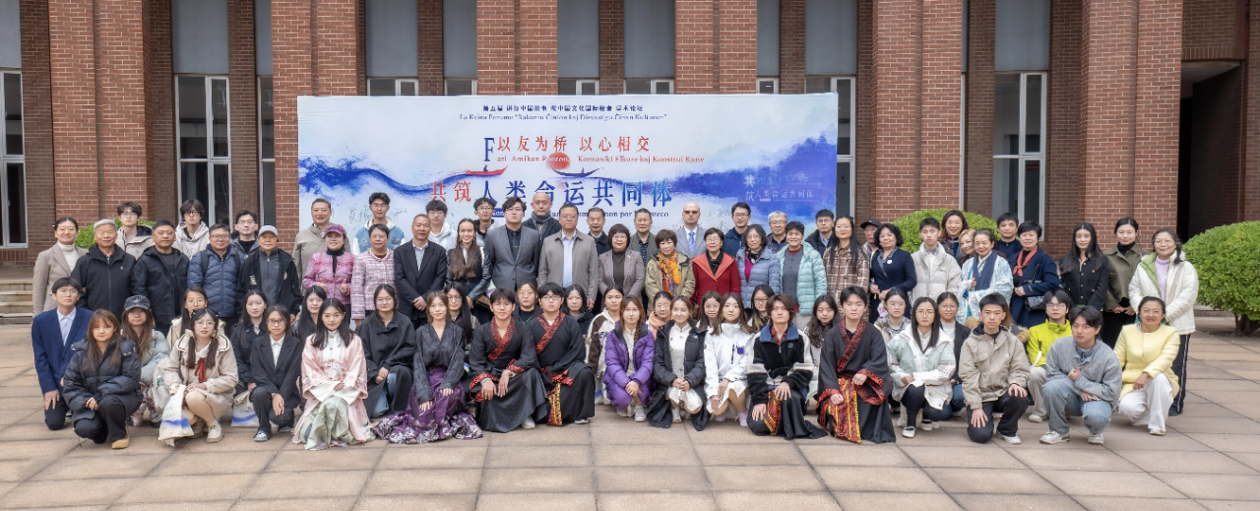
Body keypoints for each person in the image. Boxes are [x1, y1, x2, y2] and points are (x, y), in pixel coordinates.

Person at [374, 291, 483, 443]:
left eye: (441, 305)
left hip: (448, 378)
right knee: (424, 410)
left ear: (447, 307)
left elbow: (457, 361)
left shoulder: (457, 331)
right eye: (433, 306)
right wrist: (424, 394)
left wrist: (448, 383)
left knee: (445, 397)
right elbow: (418, 365)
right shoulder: (420, 332)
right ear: (428, 309)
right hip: (426, 378)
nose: (437, 309)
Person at [1129, 228, 1197, 416]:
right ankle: (1151, 402)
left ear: (1175, 243)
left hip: (1177, 324)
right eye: (1159, 241)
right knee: (1149, 363)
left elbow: (1188, 295)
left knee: (1175, 366)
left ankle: (1174, 404)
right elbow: (1134, 290)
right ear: (1153, 244)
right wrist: (1145, 312)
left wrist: (1164, 314)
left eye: (1167, 241)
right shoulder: (1144, 265)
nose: (1163, 244)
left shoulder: (1186, 267)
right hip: (1150, 324)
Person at [816, 286, 896, 443]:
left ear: (865, 307)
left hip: (866, 382)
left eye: (859, 304)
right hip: (840, 382)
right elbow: (826, 367)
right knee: (838, 401)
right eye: (849, 304)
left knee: (869, 396)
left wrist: (866, 371)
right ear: (842, 306)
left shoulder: (874, 332)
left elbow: (879, 359)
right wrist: (832, 391)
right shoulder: (832, 335)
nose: (854, 308)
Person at [293, 299, 373, 449]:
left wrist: (343, 386)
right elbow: (309, 369)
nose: (332, 320)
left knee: (332, 405)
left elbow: (357, 368)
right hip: (320, 393)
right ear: (321, 317)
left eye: (336, 315)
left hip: (345, 393)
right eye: (327, 315)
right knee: (306, 435)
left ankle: (336, 433)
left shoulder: (354, 340)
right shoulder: (311, 341)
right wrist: (330, 386)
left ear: (343, 316)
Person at [1038, 306, 1122, 445]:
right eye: (1075, 326)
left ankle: (1096, 430)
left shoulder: (1108, 356)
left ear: (1097, 329)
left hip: (1097, 399)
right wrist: (1079, 389)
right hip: (1071, 396)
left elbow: (1112, 391)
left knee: (1096, 417)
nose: (1079, 331)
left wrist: (1082, 382)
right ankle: (1059, 431)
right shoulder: (1059, 345)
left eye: (1086, 327)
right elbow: (1051, 373)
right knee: (1050, 387)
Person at [468, 289, 548, 432]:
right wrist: (485, 379)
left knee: (532, 374)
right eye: (498, 304)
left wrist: (508, 372)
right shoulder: (482, 331)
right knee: (484, 389)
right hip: (491, 375)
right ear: (491, 307)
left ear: (513, 307)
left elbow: (528, 356)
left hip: (514, 376)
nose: (502, 308)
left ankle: (525, 414)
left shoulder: (523, 329)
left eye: (506, 304)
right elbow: (476, 361)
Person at [61, 310, 141, 449]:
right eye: (96, 327)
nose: (101, 331)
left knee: (108, 403)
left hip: (120, 398)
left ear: (115, 328)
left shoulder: (125, 349)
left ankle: (119, 434)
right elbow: (70, 383)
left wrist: (100, 395)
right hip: (91, 402)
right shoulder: (81, 353)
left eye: (107, 327)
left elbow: (130, 378)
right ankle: (106, 428)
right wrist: (87, 401)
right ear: (91, 330)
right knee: (85, 429)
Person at [747, 294, 824, 439]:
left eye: (783, 309)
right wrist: (759, 400)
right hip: (766, 387)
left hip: (791, 388)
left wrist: (787, 382)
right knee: (759, 426)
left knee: (788, 399)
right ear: (770, 313)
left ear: (790, 312)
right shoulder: (758, 339)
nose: (779, 312)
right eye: (775, 309)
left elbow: (805, 369)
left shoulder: (800, 338)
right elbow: (755, 372)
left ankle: (790, 418)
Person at [159, 307, 239, 446]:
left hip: (215, 394)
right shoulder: (183, 342)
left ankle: (212, 424)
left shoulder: (223, 344)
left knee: (193, 396)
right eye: (200, 322)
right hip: (186, 392)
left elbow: (231, 378)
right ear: (193, 325)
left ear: (215, 326)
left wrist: (204, 386)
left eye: (209, 323)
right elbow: (170, 369)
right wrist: (176, 387)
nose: (204, 326)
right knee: (184, 419)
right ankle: (199, 419)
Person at [959, 294, 1030, 444]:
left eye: (997, 313)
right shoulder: (970, 344)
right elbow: (968, 377)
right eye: (988, 312)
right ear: (980, 315)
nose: (992, 317)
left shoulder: (1012, 341)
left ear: (1003, 315)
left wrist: (1016, 383)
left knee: (1020, 396)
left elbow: (1020, 368)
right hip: (982, 396)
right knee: (981, 436)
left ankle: (1006, 429)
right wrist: (976, 407)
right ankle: (982, 418)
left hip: (1003, 392)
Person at [526, 283, 597, 425]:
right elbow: (528, 354)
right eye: (546, 297)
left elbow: (577, 350)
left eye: (555, 297)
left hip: (566, 370)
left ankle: (580, 414)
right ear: (539, 301)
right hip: (541, 374)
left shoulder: (571, 323)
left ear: (562, 300)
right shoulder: (531, 325)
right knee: (528, 374)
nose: (550, 300)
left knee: (585, 372)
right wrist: (544, 371)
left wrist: (556, 368)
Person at [887, 297, 954, 438]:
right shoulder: (902, 338)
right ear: (914, 314)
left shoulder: (944, 340)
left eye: (929, 311)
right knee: (916, 389)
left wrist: (917, 377)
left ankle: (927, 417)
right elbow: (890, 362)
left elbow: (947, 368)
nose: (925, 315)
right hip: (909, 388)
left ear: (935, 314)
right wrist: (902, 376)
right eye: (920, 311)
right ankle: (910, 423)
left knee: (937, 413)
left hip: (935, 387)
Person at [32, 278, 92, 431]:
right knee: (54, 423)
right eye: (63, 291)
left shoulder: (90, 318)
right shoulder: (41, 321)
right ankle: (65, 405)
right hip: (56, 383)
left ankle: (76, 407)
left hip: (82, 382)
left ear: (78, 296)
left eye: (73, 291)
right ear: (54, 295)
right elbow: (40, 358)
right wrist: (48, 388)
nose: (68, 294)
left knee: (86, 422)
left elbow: (93, 353)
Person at [1115, 297, 1180, 436]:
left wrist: (1146, 374)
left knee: (1159, 379)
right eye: (1146, 311)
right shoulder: (1127, 331)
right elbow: (1117, 359)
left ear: (1163, 315)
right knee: (1126, 408)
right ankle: (1151, 412)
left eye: (1156, 311)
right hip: (1132, 382)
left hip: (1160, 379)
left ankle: (1157, 425)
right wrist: (1112, 383)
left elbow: (1166, 359)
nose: (1151, 315)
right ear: (1139, 313)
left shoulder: (1171, 333)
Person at [357, 285, 416, 418]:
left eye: (388, 298)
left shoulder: (404, 322)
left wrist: (389, 365)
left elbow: (409, 348)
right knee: (377, 411)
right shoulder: (367, 324)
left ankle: (397, 403)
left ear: (395, 299)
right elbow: (361, 353)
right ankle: (386, 400)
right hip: (375, 375)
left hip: (398, 369)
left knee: (394, 376)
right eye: (380, 299)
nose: (384, 302)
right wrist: (374, 373)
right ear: (375, 301)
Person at [647, 297, 706, 427]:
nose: (679, 313)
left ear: (690, 312)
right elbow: (657, 363)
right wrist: (672, 380)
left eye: (683, 310)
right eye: (675, 309)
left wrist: (689, 381)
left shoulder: (699, 332)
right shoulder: (663, 332)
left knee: (696, 407)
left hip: (691, 382)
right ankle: (675, 407)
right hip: (670, 381)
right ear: (671, 311)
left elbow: (702, 362)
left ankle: (685, 405)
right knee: (672, 395)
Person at [249, 306, 303, 442]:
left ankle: (287, 420)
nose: (276, 325)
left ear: (287, 322)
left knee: (278, 417)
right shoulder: (258, 343)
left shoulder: (295, 343)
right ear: (266, 322)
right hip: (266, 390)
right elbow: (258, 372)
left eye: (281, 320)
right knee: (259, 393)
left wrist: (281, 395)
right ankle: (263, 428)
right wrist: (274, 394)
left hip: (287, 391)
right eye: (272, 321)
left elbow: (293, 373)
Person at [704, 293, 757, 425]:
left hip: (740, 380)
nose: (731, 310)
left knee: (734, 387)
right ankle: (725, 407)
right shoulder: (711, 334)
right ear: (721, 309)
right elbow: (710, 365)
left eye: (735, 306)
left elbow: (746, 363)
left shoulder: (749, 335)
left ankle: (742, 411)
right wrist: (713, 393)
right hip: (718, 381)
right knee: (716, 411)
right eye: (727, 306)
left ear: (741, 310)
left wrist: (728, 378)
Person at [130, 221, 189, 335]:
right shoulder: (145, 260)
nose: (165, 236)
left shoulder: (183, 259)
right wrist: (147, 311)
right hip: (157, 316)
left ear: (175, 237)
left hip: (182, 316)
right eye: (160, 233)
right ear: (152, 237)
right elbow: (138, 288)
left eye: (169, 233)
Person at [603, 295, 655, 421]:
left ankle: (639, 406)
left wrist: (636, 381)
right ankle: (624, 404)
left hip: (640, 376)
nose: (631, 314)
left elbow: (648, 363)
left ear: (640, 312)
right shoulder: (613, 335)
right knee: (622, 398)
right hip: (621, 375)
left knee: (641, 389)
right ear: (621, 312)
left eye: (635, 310)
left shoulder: (647, 335)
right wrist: (626, 383)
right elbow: (612, 363)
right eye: (627, 310)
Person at [119, 296, 170, 425]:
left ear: (148, 314)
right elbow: (116, 363)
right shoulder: (117, 338)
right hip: (129, 383)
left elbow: (162, 359)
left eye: (141, 311)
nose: (137, 315)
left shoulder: (157, 336)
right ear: (125, 314)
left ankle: (156, 413)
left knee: (162, 380)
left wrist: (139, 378)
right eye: (132, 311)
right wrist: (134, 381)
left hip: (151, 382)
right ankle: (131, 413)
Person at [71, 219, 137, 319]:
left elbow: (136, 289)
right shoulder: (84, 262)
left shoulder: (129, 260)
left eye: (110, 232)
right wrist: (86, 313)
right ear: (95, 236)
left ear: (116, 235)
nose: (106, 236)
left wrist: (131, 312)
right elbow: (75, 289)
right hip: (93, 318)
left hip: (124, 318)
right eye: (101, 232)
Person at [538, 203, 600, 306]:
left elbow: (593, 272)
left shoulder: (589, 241)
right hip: (554, 295)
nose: (569, 219)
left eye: (572, 216)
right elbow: (543, 272)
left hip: (580, 295)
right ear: (559, 219)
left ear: (577, 219)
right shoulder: (548, 242)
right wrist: (543, 295)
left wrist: (591, 296)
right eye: (565, 216)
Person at [1025, 290, 1072, 423]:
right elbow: (1035, 358)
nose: (1055, 308)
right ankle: (1040, 411)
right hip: (1046, 371)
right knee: (1033, 373)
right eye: (1051, 305)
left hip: (1070, 375)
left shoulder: (1076, 331)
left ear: (1067, 309)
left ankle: (1067, 410)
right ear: (1045, 309)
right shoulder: (1035, 331)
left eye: (1060, 305)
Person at [395, 214, 449, 328]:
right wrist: (416, 299)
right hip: (407, 308)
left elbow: (440, 278)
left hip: (430, 307)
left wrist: (425, 298)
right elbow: (399, 278)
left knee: (431, 338)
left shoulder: (439, 251)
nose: (422, 228)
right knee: (407, 339)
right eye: (418, 225)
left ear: (430, 228)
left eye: (425, 225)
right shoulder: (400, 251)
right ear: (412, 227)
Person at [188, 223, 244, 329]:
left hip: (233, 315)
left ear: (230, 238)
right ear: (209, 238)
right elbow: (194, 288)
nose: (220, 239)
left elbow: (244, 288)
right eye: (216, 236)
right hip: (207, 315)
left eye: (224, 236)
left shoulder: (239, 258)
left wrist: (242, 313)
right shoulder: (200, 258)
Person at [238, 225, 302, 316]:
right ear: (258, 240)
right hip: (256, 315)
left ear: (277, 240)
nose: (268, 240)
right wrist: (242, 314)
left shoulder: (287, 262)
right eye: (264, 237)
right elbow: (241, 290)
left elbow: (295, 290)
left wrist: (293, 312)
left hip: (281, 315)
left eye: (272, 237)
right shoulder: (250, 262)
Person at [484, 197, 542, 294]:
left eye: (518, 209)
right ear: (504, 213)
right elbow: (489, 263)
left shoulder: (534, 235)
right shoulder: (492, 235)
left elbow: (536, 262)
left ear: (523, 214)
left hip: (527, 287)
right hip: (501, 286)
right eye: (510, 209)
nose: (514, 212)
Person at [1103, 218, 1146, 347]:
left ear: (1136, 233)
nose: (1125, 236)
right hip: (1113, 310)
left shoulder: (1145, 256)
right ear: (1115, 233)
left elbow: (1148, 283)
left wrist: (1136, 305)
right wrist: (1112, 304)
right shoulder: (1106, 256)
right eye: (1121, 232)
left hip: (1137, 309)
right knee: (1111, 346)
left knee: (1134, 346)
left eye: (1129, 232)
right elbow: (1102, 283)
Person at [1009, 221, 1061, 328]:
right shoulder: (1013, 258)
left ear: (1037, 237)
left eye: (1031, 235)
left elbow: (1053, 284)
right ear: (1019, 237)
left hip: (1032, 311)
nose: (1027, 238)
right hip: (1013, 308)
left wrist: (1028, 289)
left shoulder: (1045, 260)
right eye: (1024, 235)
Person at [777, 221, 827, 331]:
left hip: (806, 311)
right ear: (786, 235)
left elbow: (820, 281)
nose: (793, 237)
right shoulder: (779, 256)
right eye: (790, 234)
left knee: (805, 338)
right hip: (784, 310)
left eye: (797, 234)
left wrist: (819, 305)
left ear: (802, 236)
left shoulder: (812, 255)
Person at [34, 218, 87, 315]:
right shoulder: (45, 256)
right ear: (55, 233)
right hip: (53, 307)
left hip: (81, 308)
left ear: (76, 233)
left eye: (71, 229)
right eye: (62, 229)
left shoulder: (85, 254)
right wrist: (37, 315)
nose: (66, 232)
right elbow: (39, 288)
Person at [959, 229, 1013, 323]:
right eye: (977, 243)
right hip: (970, 313)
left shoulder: (1001, 263)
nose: (981, 246)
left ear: (992, 244)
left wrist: (974, 295)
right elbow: (960, 286)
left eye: (984, 243)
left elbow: (1005, 289)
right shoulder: (967, 264)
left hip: (993, 312)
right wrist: (965, 286)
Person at [868, 224, 917, 323]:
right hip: (879, 300)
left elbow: (912, 280)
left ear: (896, 237)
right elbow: (869, 276)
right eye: (882, 236)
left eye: (889, 235)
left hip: (898, 301)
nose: (886, 238)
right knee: (878, 329)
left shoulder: (904, 256)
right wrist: (870, 286)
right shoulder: (875, 256)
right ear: (879, 239)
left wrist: (893, 290)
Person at [350, 224, 398, 322]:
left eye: (381, 236)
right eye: (374, 236)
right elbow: (356, 288)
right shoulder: (361, 259)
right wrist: (358, 316)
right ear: (369, 238)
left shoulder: (396, 257)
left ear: (388, 238)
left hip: (393, 309)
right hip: (370, 310)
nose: (377, 239)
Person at [447, 219, 491, 323]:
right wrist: (461, 298)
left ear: (474, 233)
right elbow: (448, 279)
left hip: (479, 302)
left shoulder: (483, 252)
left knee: (480, 330)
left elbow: (486, 277)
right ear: (458, 233)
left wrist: (470, 297)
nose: (466, 234)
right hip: (457, 302)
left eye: (469, 231)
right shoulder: (450, 253)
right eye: (463, 231)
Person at [1059, 223, 1110, 311]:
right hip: (1071, 312)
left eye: (1086, 236)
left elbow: (1101, 289)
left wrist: (1089, 312)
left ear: (1092, 238)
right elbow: (1064, 288)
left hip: (1094, 312)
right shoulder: (1064, 261)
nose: (1082, 240)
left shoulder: (1102, 261)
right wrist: (1073, 310)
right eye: (1078, 236)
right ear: (1074, 239)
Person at [911, 217, 963, 303]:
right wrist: (913, 304)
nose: (928, 235)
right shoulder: (912, 259)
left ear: (939, 233)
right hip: (918, 308)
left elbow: (955, 285)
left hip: (941, 308)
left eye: (932, 231)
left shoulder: (949, 260)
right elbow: (907, 287)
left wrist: (945, 304)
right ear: (920, 234)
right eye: (925, 232)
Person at [587, 286, 623, 406]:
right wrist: (592, 370)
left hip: (626, 369)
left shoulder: (629, 318)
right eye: (610, 297)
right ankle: (599, 388)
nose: (614, 300)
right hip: (603, 369)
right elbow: (592, 348)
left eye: (617, 297)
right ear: (604, 301)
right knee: (604, 401)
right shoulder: (598, 321)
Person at [302, 224, 354, 306]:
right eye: (329, 236)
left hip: (345, 305)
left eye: (337, 236)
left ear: (344, 239)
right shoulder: (316, 258)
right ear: (325, 239)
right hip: (322, 304)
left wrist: (348, 288)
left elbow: (360, 284)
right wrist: (318, 286)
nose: (333, 239)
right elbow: (306, 281)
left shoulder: (353, 259)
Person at [230, 291, 270, 398]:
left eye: (258, 303)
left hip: (268, 377)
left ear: (265, 305)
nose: (254, 307)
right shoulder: (238, 330)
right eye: (250, 304)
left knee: (261, 393)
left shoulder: (273, 328)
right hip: (243, 378)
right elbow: (235, 358)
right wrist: (249, 379)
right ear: (245, 306)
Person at [822, 215, 871, 303]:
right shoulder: (828, 252)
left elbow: (863, 282)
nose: (842, 229)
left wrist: (853, 302)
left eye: (846, 226)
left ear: (852, 229)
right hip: (830, 303)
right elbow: (822, 279)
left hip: (851, 303)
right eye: (839, 227)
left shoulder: (861, 253)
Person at [938, 291, 972, 415]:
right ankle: (946, 406)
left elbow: (969, 360)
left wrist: (956, 379)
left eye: (952, 306)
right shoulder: (931, 330)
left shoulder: (966, 331)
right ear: (938, 307)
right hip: (937, 378)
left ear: (957, 308)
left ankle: (954, 404)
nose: (948, 309)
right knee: (943, 414)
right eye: (944, 306)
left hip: (958, 378)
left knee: (960, 397)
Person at [692, 227, 741, 309]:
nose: (712, 242)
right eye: (709, 239)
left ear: (721, 243)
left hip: (724, 306)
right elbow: (692, 288)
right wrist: (689, 307)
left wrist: (734, 306)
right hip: (703, 306)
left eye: (715, 239)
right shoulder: (697, 262)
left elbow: (735, 288)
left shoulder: (731, 262)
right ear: (705, 242)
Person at [645, 230, 696, 303]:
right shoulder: (653, 263)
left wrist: (680, 301)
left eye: (669, 242)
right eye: (662, 243)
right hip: (658, 305)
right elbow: (649, 285)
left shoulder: (684, 261)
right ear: (658, 246)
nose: (666, 246)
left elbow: (690, 282)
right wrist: (661, 302)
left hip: (679, 305)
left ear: (674, 244)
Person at [737, 224, 781, 309]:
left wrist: (772, 305)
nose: (752, 239)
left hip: (762, 306)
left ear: (762, 238)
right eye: (749, 237)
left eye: (756, 236)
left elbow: (774, 284)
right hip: (742, 306)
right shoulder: (740, 255)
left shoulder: (770, 256)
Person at [804, 295, 836, 406]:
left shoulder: (841, 330)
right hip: (816, 376)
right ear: (815, 312)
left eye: (829, 310)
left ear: (835, 311)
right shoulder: (808, 331)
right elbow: (806, 360)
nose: (825, 314)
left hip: (836, 376)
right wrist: (821, 375)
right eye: (820, 310)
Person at [598, 224, 645, 300]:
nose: (619, 239)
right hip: (610, 302)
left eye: (623, 237)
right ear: (610, 239)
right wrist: (611, 297)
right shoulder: (602, 258)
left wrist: (629, 298)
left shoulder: (636, 256)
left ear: (628, 239)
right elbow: (600, 280)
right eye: (616, 237)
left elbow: (640, 279)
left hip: (632, 302)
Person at [294, 198, 332, 278]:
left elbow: (348, 265)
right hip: (308, 285)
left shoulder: (339, 235)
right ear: (311, 213)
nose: (320, 213)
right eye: (316, 210)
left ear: (330, 212)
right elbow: (296, 266)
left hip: (333, 285)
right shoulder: (302, 235)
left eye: (324, 210)